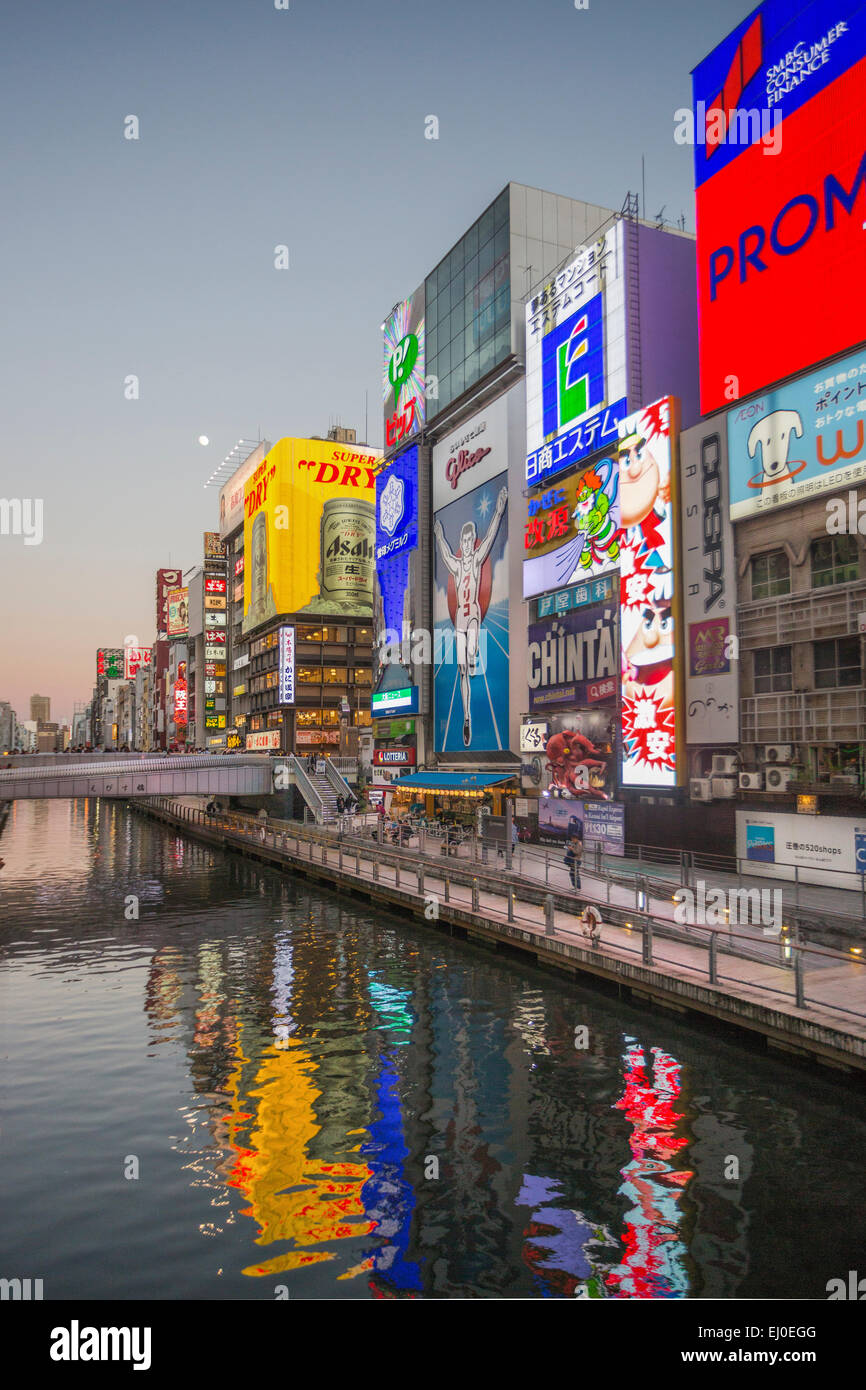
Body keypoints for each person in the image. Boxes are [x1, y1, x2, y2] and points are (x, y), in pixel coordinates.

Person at [433, 485, 507, 746]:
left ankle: (474, 655)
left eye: (469, 540)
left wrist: (498, 511)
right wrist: (439, 535)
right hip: (459, 621)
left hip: (473, 614)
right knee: (462, 670)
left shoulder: (475, 561)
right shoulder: (455, 566)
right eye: (463, 541)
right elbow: (443, 552)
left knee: (472, 649)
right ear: (460, 544)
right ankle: (466, 717)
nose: (466, 544)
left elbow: (490, 537)